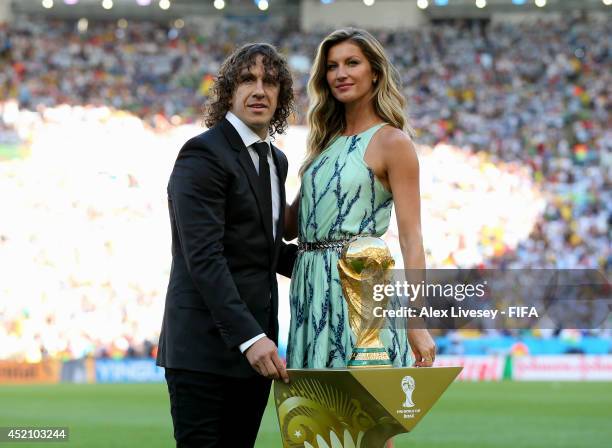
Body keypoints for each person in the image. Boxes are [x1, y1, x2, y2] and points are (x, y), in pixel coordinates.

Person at [156, 43, 297, 447]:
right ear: (228, 92)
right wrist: (249, 337)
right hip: (204, 349)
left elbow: (265, 251)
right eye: (247, 80)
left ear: (281, 95)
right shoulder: (202, 154)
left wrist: (336, 265)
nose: (259, 90)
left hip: (255, 353)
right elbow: (204, 256)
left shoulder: (276, 161)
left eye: (270, 82)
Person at [285, 29, 436, 369]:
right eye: (332, 66)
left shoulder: (392, 142)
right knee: (313, 416)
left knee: (363, 412)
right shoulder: (323, 144)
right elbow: (289, 226)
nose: (340, 73)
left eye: (352, 63)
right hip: (310, 290)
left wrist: (417, 320)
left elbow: (412, 239)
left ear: (375, 73)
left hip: (363, 290)